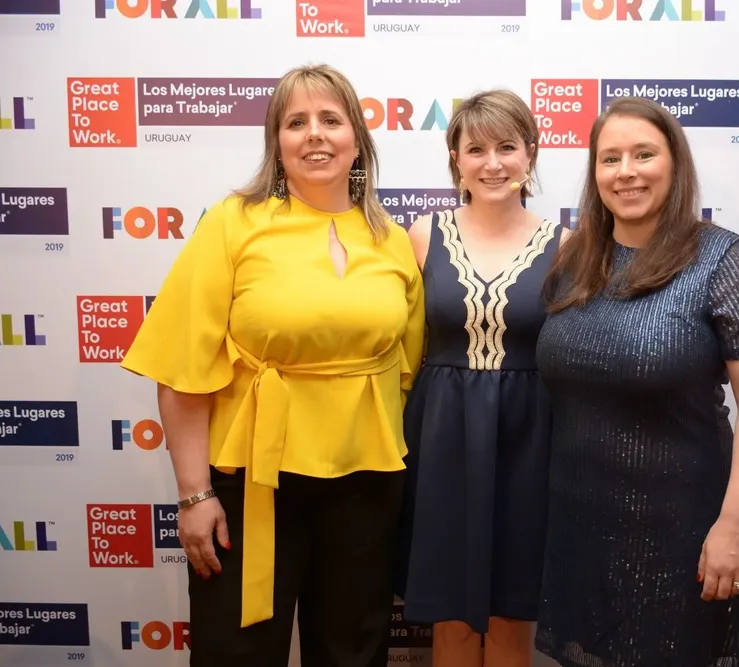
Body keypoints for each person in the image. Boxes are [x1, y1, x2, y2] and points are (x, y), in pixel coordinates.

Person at [119, 64, 425, 667]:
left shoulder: (391, 239)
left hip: (366, 483)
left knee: (353, 653)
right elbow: (183, 366)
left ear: (357, 139)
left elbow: (405, 370)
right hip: (250, 480)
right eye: (296, 122)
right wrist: (193, 495)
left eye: (330, 120)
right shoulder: (233, 222)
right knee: (235, 651)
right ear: (276, 142)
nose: (314, 134)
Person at [533, 97, 739, 667]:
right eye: (610, 158)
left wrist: (737, 524)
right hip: (580, 525)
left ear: (674, 165)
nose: (626, 171)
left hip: (680, 533)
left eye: (643, 154)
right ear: (594, 172)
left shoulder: (721, 260)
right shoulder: (575, 259)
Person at [394, 89, 565, 667]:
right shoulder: (421, 236)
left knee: (512, 618)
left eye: (508, 147)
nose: (493, 163)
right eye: (476, 149)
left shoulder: (568, 245)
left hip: (528, 441)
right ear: (456, 159)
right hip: (440, 438)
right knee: (452, 619)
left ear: (531, 154)